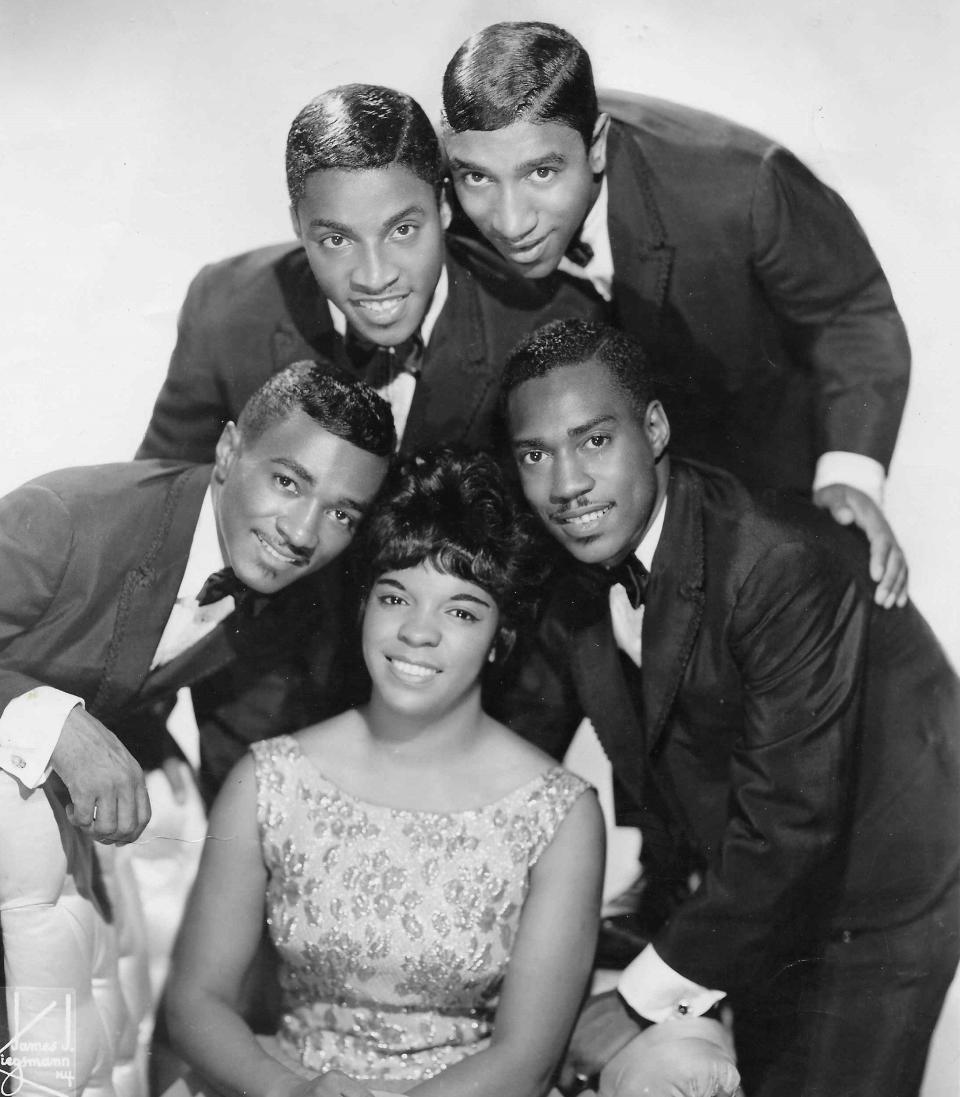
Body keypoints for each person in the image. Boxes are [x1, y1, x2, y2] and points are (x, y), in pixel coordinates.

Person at [163, 448, 740, 1097]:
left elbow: (525, 1059)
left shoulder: (558, 813)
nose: (418, 631)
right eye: (395, 596)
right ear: (364, 608)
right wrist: (292, 1093)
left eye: (461, 610)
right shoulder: (269, 779)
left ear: (500, 638)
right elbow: (196, 1002)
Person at [497, 318, 959, 1097]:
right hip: (749, 884)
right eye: (535, 455)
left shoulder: (776, 562)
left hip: (878, 887)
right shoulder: (569, 563)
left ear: (654, 427)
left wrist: (640, 1001)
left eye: (594, 440)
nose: (565, 482)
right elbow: (520, 749)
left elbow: (790, 823)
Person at [440, 21, 911, 609]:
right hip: (598, 488)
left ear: (596, 144)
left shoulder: (743, 189)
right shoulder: (449, 178)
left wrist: (849, 471)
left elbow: (850, 311)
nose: (511, 222)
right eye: (478, 178)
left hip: (759, 459)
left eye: (541, 173)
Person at [0, 360, 393, 842]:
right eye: (288, 483)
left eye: (340, 513)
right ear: (229, 451)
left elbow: (248, 750)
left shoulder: (289, 598)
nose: (302, 533)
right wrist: (51, 721)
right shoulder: (64, 519)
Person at [137, 83, 600, 467]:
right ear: (298, 225)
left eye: (401, 230)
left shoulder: (552, 322)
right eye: (337, 240)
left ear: (442, 206)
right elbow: (163, 500)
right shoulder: (225, 306)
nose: (375, 277)